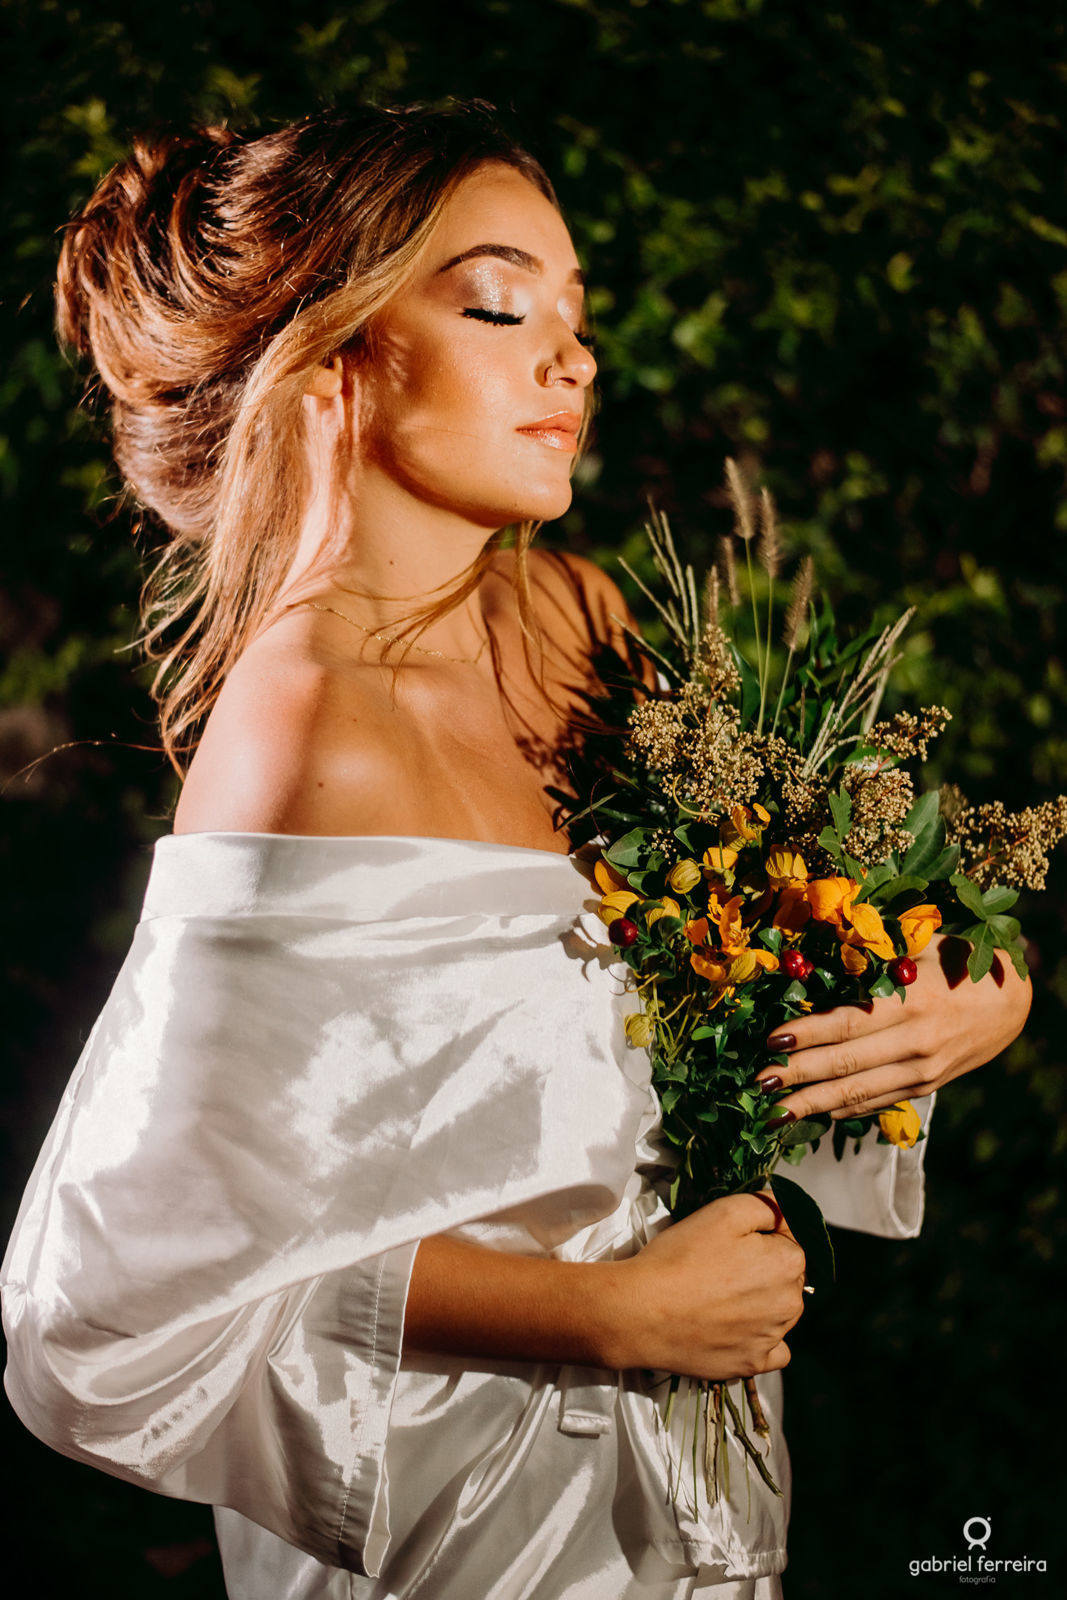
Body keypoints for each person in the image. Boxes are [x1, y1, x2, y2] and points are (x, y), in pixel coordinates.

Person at [1, 102, 1031, 1600]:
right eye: (497, 303)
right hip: (469, 1526)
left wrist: (961, 1000)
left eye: (575, 313)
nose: (570, 356)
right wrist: (605, 1317)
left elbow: (799, 948)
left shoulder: (589, 628)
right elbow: (103, 1301)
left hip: (701, 1491)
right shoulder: (306, 734)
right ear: (336, 354)